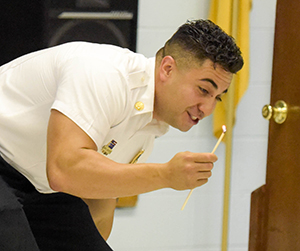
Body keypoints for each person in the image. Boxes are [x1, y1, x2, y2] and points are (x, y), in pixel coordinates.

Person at [0, 19, 243, 250]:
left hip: (36, 186)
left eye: (217, 97)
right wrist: (166, 175)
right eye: (203, 90)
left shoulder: (150, 126)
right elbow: (64, 169)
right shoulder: (103, 74)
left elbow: (100, 199)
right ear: (167, 68)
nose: (208, 109)